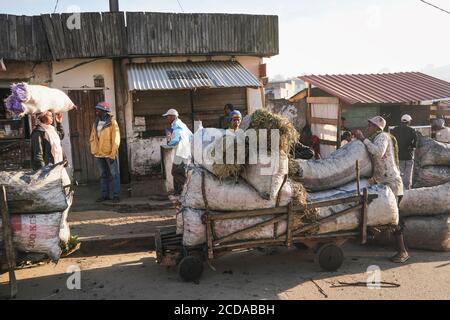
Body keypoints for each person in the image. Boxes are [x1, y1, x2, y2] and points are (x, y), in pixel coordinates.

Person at [354, 116, 409, 263]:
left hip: (392, 183)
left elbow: (378, 152)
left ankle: (402, 251)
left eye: (370, 125)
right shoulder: (376, 138)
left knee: (395, 218)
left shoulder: (383, 137)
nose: (368, 127)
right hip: (382, 182)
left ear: (377, 127)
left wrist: (363, 139)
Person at [89, 102, 121, 203]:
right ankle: (104, 195)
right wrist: (94, 149)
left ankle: (116, 195)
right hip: (99, 153)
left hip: (109, 153)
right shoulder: (96, 122)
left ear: (104, 111)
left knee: (114, 174)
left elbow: (116, 139)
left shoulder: (112, 122)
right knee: (103, 174)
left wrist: (113, 153)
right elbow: (93, 137)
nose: (96, 111)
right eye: (97, 109)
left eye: (98, 109)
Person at [163, 108, 193, 197]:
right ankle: (179, 192)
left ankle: (186, 190)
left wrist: (168, 136)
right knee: (180, 172)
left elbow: (173, 141)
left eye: (167, 116)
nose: (167, 119)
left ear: (172, 117)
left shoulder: (176, 127)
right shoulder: (183, 125)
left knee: (176, 172)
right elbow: (191, 136)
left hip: (180, 153)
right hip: (186, 152)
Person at [391, 114, 417, 190]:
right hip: (409, 156)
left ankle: (399, 190)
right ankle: (407, 190)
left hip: (398, 156)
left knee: (399, 174)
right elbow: (416, 143)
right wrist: (411, 146)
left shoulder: (395, 130)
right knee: (408, 175)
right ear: (409, 122)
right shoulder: (412, 130)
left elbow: (392, 141)